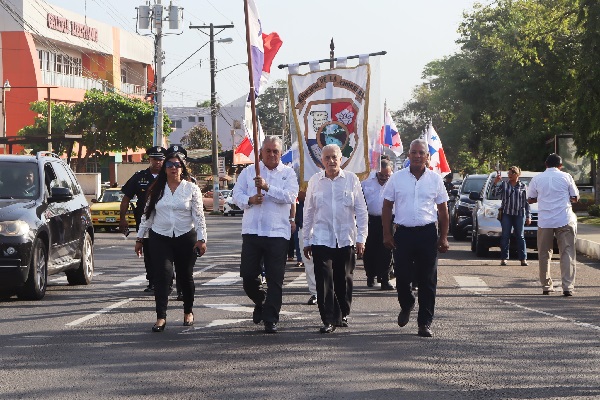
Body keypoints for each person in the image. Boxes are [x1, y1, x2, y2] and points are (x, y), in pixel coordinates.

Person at [382, 139, 449, 338]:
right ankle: (407, 302)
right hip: (403, 233)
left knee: (428, 280)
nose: (418, 156)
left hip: (427, 233)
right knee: (402, 276)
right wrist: (387, 233)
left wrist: (443, 237)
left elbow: (443, 210)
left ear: (427, 157)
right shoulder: (397, 178)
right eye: (414, 152)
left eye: (422, 153)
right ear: (409, 155)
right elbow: (386, 206)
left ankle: (425, 323)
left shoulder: (435, 179)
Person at [231, 136, 299, 334]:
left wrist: (268, 187)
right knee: (248, 276)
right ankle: (261, 300)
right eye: (268, 151)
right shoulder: (249, 171)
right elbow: (236, 195)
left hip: (277, 232)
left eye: (275, 151)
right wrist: (250, 199)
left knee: (275, 278)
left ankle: (271, 318)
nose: (271, 154)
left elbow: (290, 196)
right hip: (253, 231)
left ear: (280, 153)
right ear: (261, 152)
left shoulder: (288, 173)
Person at [135, 151, 207, 332]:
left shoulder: (191, 188)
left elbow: (198, 216)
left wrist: (202, 239)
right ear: (165, 169)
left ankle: (188, 311)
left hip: (185, 237)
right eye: (169, 165)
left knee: (185, 276)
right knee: (163, 275)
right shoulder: (156, 188)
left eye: (177, 165)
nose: (173, 168)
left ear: (182, 168)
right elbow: (147, 214)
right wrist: (140, 238)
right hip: (160, 237)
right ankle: (161, 317)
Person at [303, 144, 368, 334]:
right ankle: (328, 319)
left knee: (343, 279)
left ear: (341, 159)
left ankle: (342, 313)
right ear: (321, 161)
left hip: (345, 238)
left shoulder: (351, 180)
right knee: (324, 279)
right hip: (322, 238)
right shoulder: (315, 181)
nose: (331, 161)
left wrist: (361, 238)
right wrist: (306, 240)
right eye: (327, 158)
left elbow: (362, 211)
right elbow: (308, 212)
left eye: (334, 157)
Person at [527, 153, 579, 296]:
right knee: (567, 252)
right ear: (560, 166)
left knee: (544, 253)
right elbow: (575, 198)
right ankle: (568, 287)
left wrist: (543, 197)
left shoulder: (537, 178)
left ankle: (546, 286)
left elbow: (530, 199)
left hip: (545, 221)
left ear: (545, 164)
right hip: (565, 218)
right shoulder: (566, 176)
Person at [120, 146, 167, 293]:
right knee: (148, 251)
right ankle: (152, 281)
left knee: (166, 251)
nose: (157, 162)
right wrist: (122, 219)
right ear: (149, 160)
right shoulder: (139, 177)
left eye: (160, 159)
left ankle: (167, 279)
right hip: (145, 221)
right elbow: (126, 198)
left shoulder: (169, 176)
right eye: (154, 159)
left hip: (165, 221)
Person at [361, 157, 394, 290]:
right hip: (370, 220)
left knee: (387, 250)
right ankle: (370, 275)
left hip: (388, 220)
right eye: (381, 175)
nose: (384, 178)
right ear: (377, 172)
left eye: (387, 175)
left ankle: (385, 279)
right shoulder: (366, 182)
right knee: (369, 250)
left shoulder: (394, 182)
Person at [491, 166, 532, 266]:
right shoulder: (505, 185)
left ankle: (523, 259)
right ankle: (504, 258)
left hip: (519, 214)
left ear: (517, 175)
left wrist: (528, 216)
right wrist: (495, 183)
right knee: (505, 235)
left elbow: (526, 203)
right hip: (507, 214)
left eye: (512, 173)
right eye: (509, 173)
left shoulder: (523, 186)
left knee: (520, 236)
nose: (509, 175)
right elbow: (494, 194)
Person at [296, 191, 317, 305]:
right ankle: (315, 292)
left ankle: (330, 291)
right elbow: (297, 195)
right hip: (305, 224)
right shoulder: (299, 173)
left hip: (327, 225)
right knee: (309, 261)